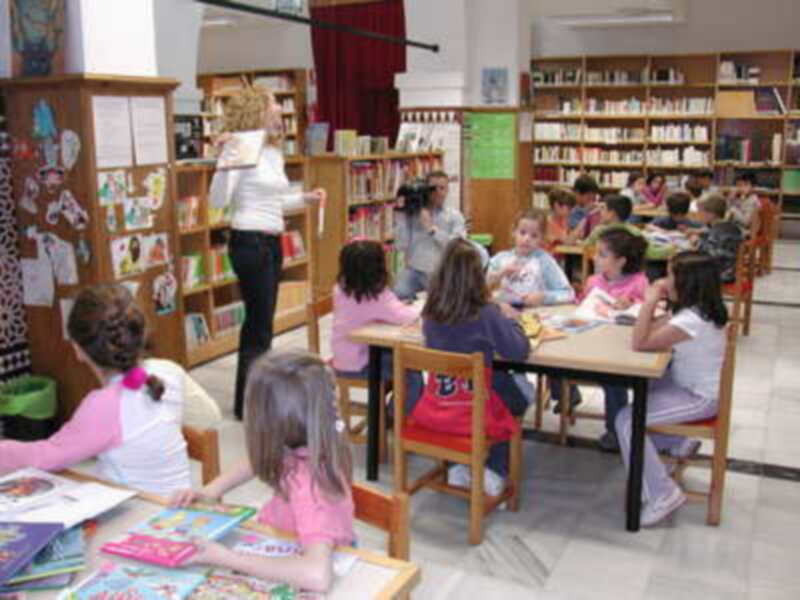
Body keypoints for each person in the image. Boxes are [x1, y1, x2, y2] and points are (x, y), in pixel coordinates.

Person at [170, 350, 354, 593]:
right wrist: (210, 491)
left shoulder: (311, 489)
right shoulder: (305, 440)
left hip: (302, 565)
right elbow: (258, 460)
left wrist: (225, 558)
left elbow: (317, 576)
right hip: (282, 540)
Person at [0, 284, 191, 496]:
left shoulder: (104, 405)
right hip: (179, 504)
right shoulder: (168, 372)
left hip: (147, 508)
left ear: (77, 348)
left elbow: (45, 456)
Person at [208, 86, 326, 420]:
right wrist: (226, 161)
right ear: (258, 109)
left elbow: (274, 200)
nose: (278, 109)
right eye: (274, 103)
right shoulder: (240, 148)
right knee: (258, 327)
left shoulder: (272, 152)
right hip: (250, 242)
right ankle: (249, 405)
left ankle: (255, 398)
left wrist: (305, 199)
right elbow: (218, 200)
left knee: (262, 323)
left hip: (272, 243)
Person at [615, 252, 728, 526]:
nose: (665, 281)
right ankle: (676, 442)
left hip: (699, 397)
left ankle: (663, 494)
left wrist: (649, 301)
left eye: (670, 275)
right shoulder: (697, 309)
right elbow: (652, 329)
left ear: (687, 283)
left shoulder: (691, 320)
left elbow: (640, 343)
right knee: (648, 385)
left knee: (627, 421)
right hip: (688, 384)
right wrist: (654, 309)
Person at [416, 239, 530, 496]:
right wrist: (512, 323)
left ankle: (458, 464)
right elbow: (518, 351)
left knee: (494, 389)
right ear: (478, 277)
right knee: (518, 398)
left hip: (439, 403)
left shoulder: (430, 312)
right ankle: (494, 470)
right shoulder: (486, 312)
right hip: (476, 406)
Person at [487, 209, 576, 412]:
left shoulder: (545, 261)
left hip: (534, 317)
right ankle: (517, 389)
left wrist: (543, 296)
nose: (527, 239)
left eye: (534, 235)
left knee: (546, 350)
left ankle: (563, 389)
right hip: (504, 317)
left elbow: (568, 293)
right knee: (502, 350)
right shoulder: (500, 259)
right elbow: (478, 287)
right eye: (522, 233)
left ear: (542, 239)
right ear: (513, 232)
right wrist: (499, 274)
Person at [331, 240, 422, 405]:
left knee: (396, 358)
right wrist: (420, 306)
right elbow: (407, 316)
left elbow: (371, 312)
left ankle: (383, 413)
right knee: (411, 373)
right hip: (362, 364)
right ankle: (393, 415)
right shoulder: (375, 295)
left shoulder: (340, 288)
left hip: (343, 358)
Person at [582, 229, 649, 452]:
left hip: (624, 349)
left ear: (621, 261)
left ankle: (615, 430)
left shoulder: (639, 282)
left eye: (602, 255)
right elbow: (580, 308)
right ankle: (567, 395)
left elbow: (650, 310)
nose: (595, 258)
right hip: (593, 344)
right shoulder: (593, 281)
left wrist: (632, 303)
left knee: (613, 379)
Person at [393, 170, 466, 301]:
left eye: (442, 188)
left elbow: (457, 247)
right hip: (415, 271)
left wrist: (432, 230)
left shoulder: (454, 216)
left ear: (447, 190)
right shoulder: (413, 215)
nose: (438, 192)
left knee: (443, 304)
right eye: (433, 188)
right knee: (398, 295)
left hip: (442, 273)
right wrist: (401, 216)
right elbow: (401, 246)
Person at [583, 195, 673, 262]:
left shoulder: (599, 230)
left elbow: (586, 246)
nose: (600, 211)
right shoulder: (635, 231)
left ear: (612, 213)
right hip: (629, 274)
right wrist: (671, 248)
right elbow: (652, 253)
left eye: (603, 208)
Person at [693, 194, 743, 284]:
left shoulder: (724, 231)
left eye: (700, 211)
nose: (698, 214)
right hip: (719, 268)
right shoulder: (722, 227)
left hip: (721, 273)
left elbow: (712, 254)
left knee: (682, 271)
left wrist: (698, 243)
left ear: (711, 214)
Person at [567, 174, 602, 241]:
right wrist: (587, 213)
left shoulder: (597, 210)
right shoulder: (568, 210)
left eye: (594, 195)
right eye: (588, 196)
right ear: (577, 193)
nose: (592, 199)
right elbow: (576, 235)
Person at [545, 187, 576, 252]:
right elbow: (561, 242)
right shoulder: (546, 223)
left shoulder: (564, 221)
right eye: (569, 208)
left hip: (562, 253)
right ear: (557, 205)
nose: (571, 211)